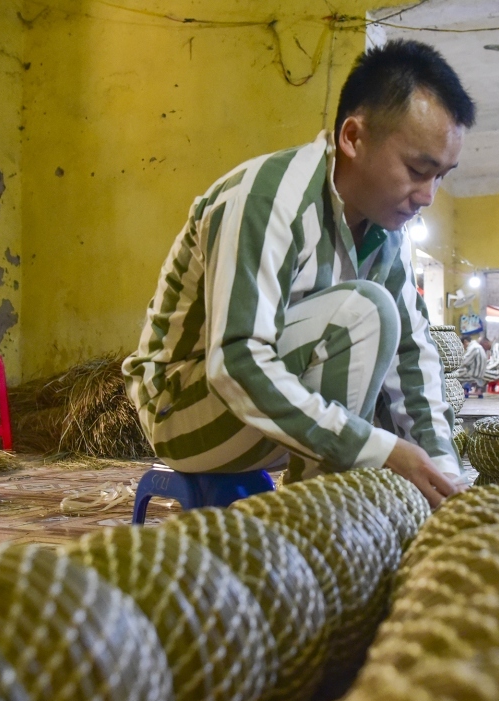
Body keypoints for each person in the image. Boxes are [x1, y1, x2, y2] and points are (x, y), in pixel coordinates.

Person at [124, 40, 474, 507]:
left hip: (261, 417)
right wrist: (378, 449)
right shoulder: (267, 201)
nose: (428, 195)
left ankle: (328, 508)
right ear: (353, 138)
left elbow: (413, 356)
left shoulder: (387, 234)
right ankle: (319, 520)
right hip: (182, 410)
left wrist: (445, 480)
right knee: (365, 313)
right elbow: (237, 363)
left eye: (441, 176)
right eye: (417, 170)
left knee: (394, 382)